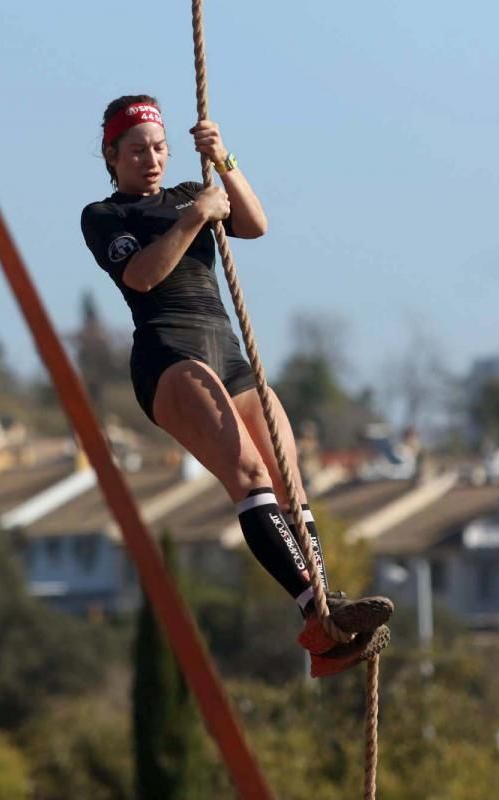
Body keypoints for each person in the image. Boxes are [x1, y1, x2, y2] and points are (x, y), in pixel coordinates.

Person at [79, 95, 390, 676]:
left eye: (158, 148)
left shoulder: (188, 192)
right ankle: (315, 610)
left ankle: (327, 613)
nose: (150, 159)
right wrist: (196, 216)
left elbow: (254, 223)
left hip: (227, 350)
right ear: (111, 155)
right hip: (169, 354)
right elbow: (142, 277)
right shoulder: (105, 215)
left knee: (288, 477)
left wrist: (223, 160)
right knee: (247, 475)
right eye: (137, 150)